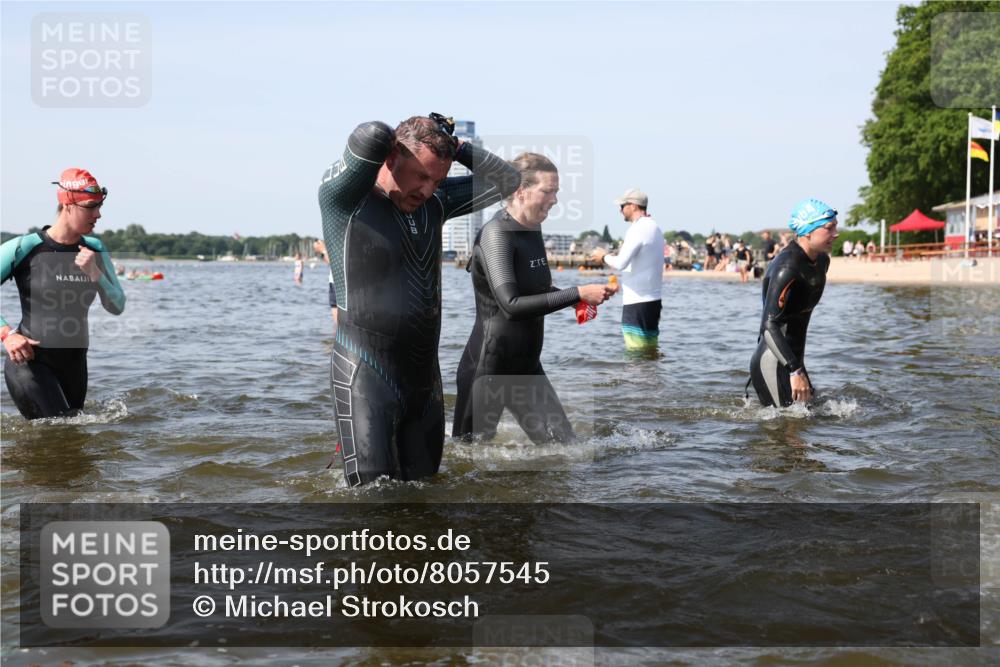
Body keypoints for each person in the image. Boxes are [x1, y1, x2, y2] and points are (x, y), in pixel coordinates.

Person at [318, 114, 520, 486]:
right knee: (373, 500)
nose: (427, 189)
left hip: (423, 383)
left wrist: (456, 146)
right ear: (391, 159)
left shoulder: (436, 205)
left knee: (426, 496)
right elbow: (369, 135)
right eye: (421, 176)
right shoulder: (347, 201)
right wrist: (394, 137)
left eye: (437, 180)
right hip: (365, 374)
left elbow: (510, 179)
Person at [453, 153, 612, 444]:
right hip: (488, 368)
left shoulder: (533, 228)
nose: (554, 200)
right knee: (468, 465)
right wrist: (577, 293)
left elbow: (538, 292)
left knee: (567, 450)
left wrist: (580, 299)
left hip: (527, 366)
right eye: (547, 191)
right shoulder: (497, 234)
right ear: (519, 191)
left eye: (556, 192)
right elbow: (511, 305)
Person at [1, 168, 126, 419]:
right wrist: (7, 335)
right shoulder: (24, 247)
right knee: (60, 430)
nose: (98, 214)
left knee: (72, 443)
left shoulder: (95, 249)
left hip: (75, 366)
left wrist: (95, 273)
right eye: (91, 206)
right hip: (30, 362)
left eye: (99, 206)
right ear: (67, 203)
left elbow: (117, 305)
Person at [748, 198, 837, 407]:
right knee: (784, 431)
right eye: (829, 228)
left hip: (794, 359)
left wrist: (798, 366)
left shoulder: (822, 261)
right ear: (808, 231)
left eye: (835, 227)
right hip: (773, 360)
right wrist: (795, 370)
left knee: (802, 424)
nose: (836, 234)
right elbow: (769, 326)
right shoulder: (787, 267)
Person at [592, 188, 665, 353]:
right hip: (653, 301)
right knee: (649, 350)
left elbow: (620, 263)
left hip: (637, 302)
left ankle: (636, 380)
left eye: (622, 206)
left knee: (636, 353)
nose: (620, 210)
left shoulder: (638, 228)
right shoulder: (655, 227)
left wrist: (603, 257)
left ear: (633, 206)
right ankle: (651, 378)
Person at [312, 239, 338, 330]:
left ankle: (337, 337)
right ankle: (335, 337)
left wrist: (323, 249)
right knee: (335, 313)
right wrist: (322, 252)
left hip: (338, 282)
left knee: (337, 315)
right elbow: (329, 261)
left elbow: (334, 263)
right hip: (334, 281)